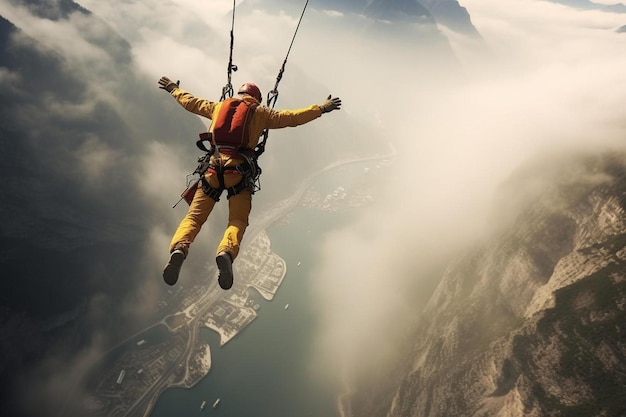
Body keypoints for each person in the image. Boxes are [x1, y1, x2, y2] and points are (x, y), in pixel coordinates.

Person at [158, 76, 342, 289]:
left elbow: (190, 102)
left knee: (194, 218)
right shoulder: (262, 114)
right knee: (237, 221)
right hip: (238, 173)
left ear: (240, 94)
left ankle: (179, 248)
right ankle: (226, 252)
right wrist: (321, 108)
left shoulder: (217, 107)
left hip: (212, 170)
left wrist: (173, 88)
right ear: (257, 98)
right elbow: (292, 117)